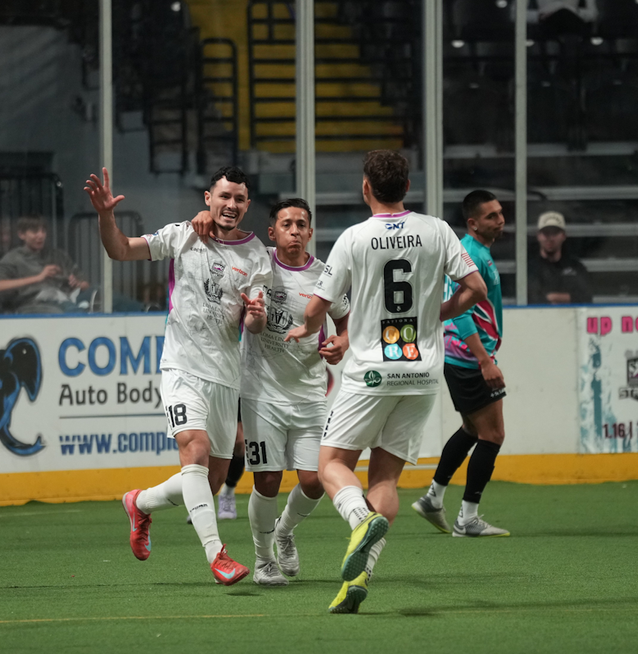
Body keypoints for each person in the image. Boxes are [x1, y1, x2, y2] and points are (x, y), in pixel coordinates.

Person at [284, 150, 485, 613]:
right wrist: (437, 312)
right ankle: (361, 576)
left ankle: (358, 519)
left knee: (331, 462)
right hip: (422, 370)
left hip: (372, 369)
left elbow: (318, 307)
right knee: (386, 477)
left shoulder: (355, 238)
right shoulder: (436, 229)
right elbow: (472, 290)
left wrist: (305, 327)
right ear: (407, 187)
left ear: (366, 187)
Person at [86, 165, 271, 586]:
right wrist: (105, 216)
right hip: (182, 366)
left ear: (247, 205)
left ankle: (140, 502)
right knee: (196, 450)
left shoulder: (257, 254)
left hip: (226, 377)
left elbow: (255, 325)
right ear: (208, 198)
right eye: (224, 196)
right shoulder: (182, 234)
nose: (231, 205)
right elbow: (120, 250)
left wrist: (256, 315)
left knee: (214, 477)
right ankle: (217, 554)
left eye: (239, 199)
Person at [193, 198, 351, 586]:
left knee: (314, 481)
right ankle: (264, 560)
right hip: (262, 394)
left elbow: (346, 322)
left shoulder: (325, 276)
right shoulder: (258, 263)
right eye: (286, 224)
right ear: (272, 232)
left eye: (301, 224)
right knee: (267, 481)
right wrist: (201, 216)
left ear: (310, 232)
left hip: (311, 394)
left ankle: (283, 531)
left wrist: (341, 343)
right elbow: (219, 234)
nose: (294, 230)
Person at [411, 189, 511, 539]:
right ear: (472, 223)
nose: (500, 220)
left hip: (465, 355)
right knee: (493, 434)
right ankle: (467, 518)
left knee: (472, 430)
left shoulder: (479, 252)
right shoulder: (469, 253)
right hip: (470, 357)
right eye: (491, 216)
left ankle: (433, 498)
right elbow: (460, 312)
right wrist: (485, 360)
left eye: (500, 213)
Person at [0, 216, 90, 314]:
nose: (40, 236)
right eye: (34, 231)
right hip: (31, 304)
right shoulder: (13, 258)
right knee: (61, 313)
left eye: (43, 231)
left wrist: (77, 284)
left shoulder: (58, 256)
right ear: (21, 234)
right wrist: (39, 277)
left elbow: (86, 285)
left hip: (65, 299)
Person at [527, 211, 592, 305]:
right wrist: (568, 298)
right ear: (538, 236)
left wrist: (554, 297)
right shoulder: (530, 269)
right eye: (546, 233)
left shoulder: (576, 267)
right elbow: (530, 300)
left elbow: (587, 298)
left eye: (554, 233)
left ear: (563, 236)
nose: (550, 238)